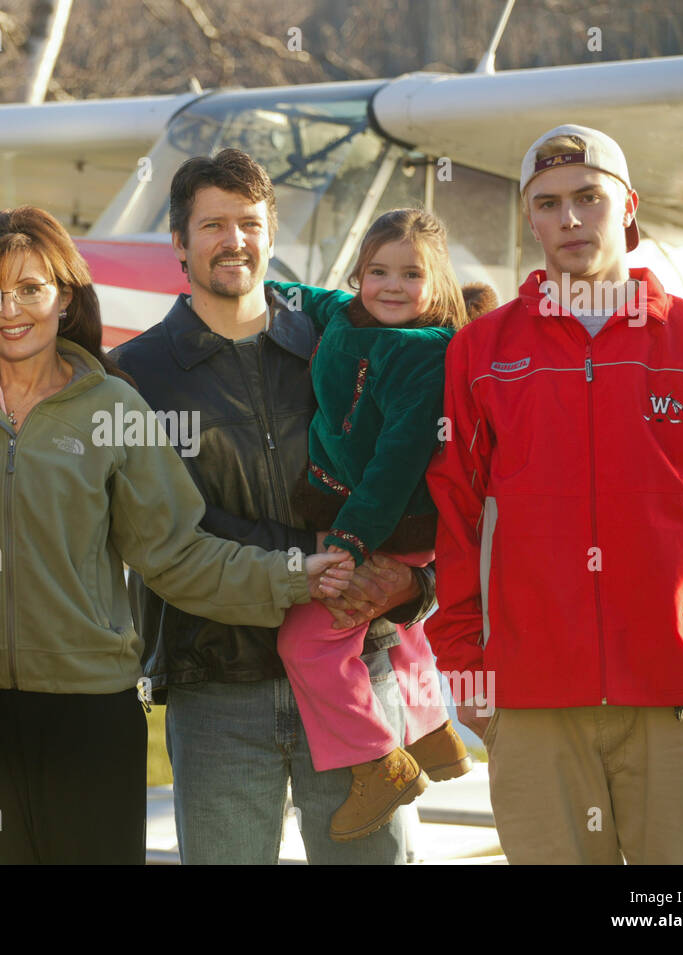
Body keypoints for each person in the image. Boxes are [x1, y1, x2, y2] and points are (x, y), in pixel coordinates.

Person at [0, 205, 353, 865]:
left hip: (90, 712)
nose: (11, 309)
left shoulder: (114, 408)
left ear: (65, 297)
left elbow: (176, 553)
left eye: (31, 289)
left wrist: (292, 573)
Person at [426, 124, 683, 864]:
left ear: (628, 207)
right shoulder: (481, 352)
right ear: (529, 219)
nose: (570, 220)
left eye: (589, 198)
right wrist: (466, 666)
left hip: (682, 697)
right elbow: (456, 520)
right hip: (529, 703)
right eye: (549, 203)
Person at [111, 148, 438, 865]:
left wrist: (420, 585)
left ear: (270, 233)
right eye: (213, 225)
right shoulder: (135, 376)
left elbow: (417, 470)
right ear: (178, 242)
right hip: (218, 688)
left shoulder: (343, 340)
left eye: (250, 223)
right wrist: (304, 562)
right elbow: (160, 531)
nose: (235, 241)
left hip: (359, 668)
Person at [263, 208, 498, 843]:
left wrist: (349, 542)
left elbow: (396, 464)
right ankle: (433, 731)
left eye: (411, 274)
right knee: (397, 627)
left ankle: (376, 760)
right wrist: (250, 286)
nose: (391, 286)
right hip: (356, 506)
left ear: (438, 283)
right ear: (359, 274)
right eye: (377, 271)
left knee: (309, 642)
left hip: (389, 516)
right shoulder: (343, 314)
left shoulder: (425, 355)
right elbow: (302, 295)